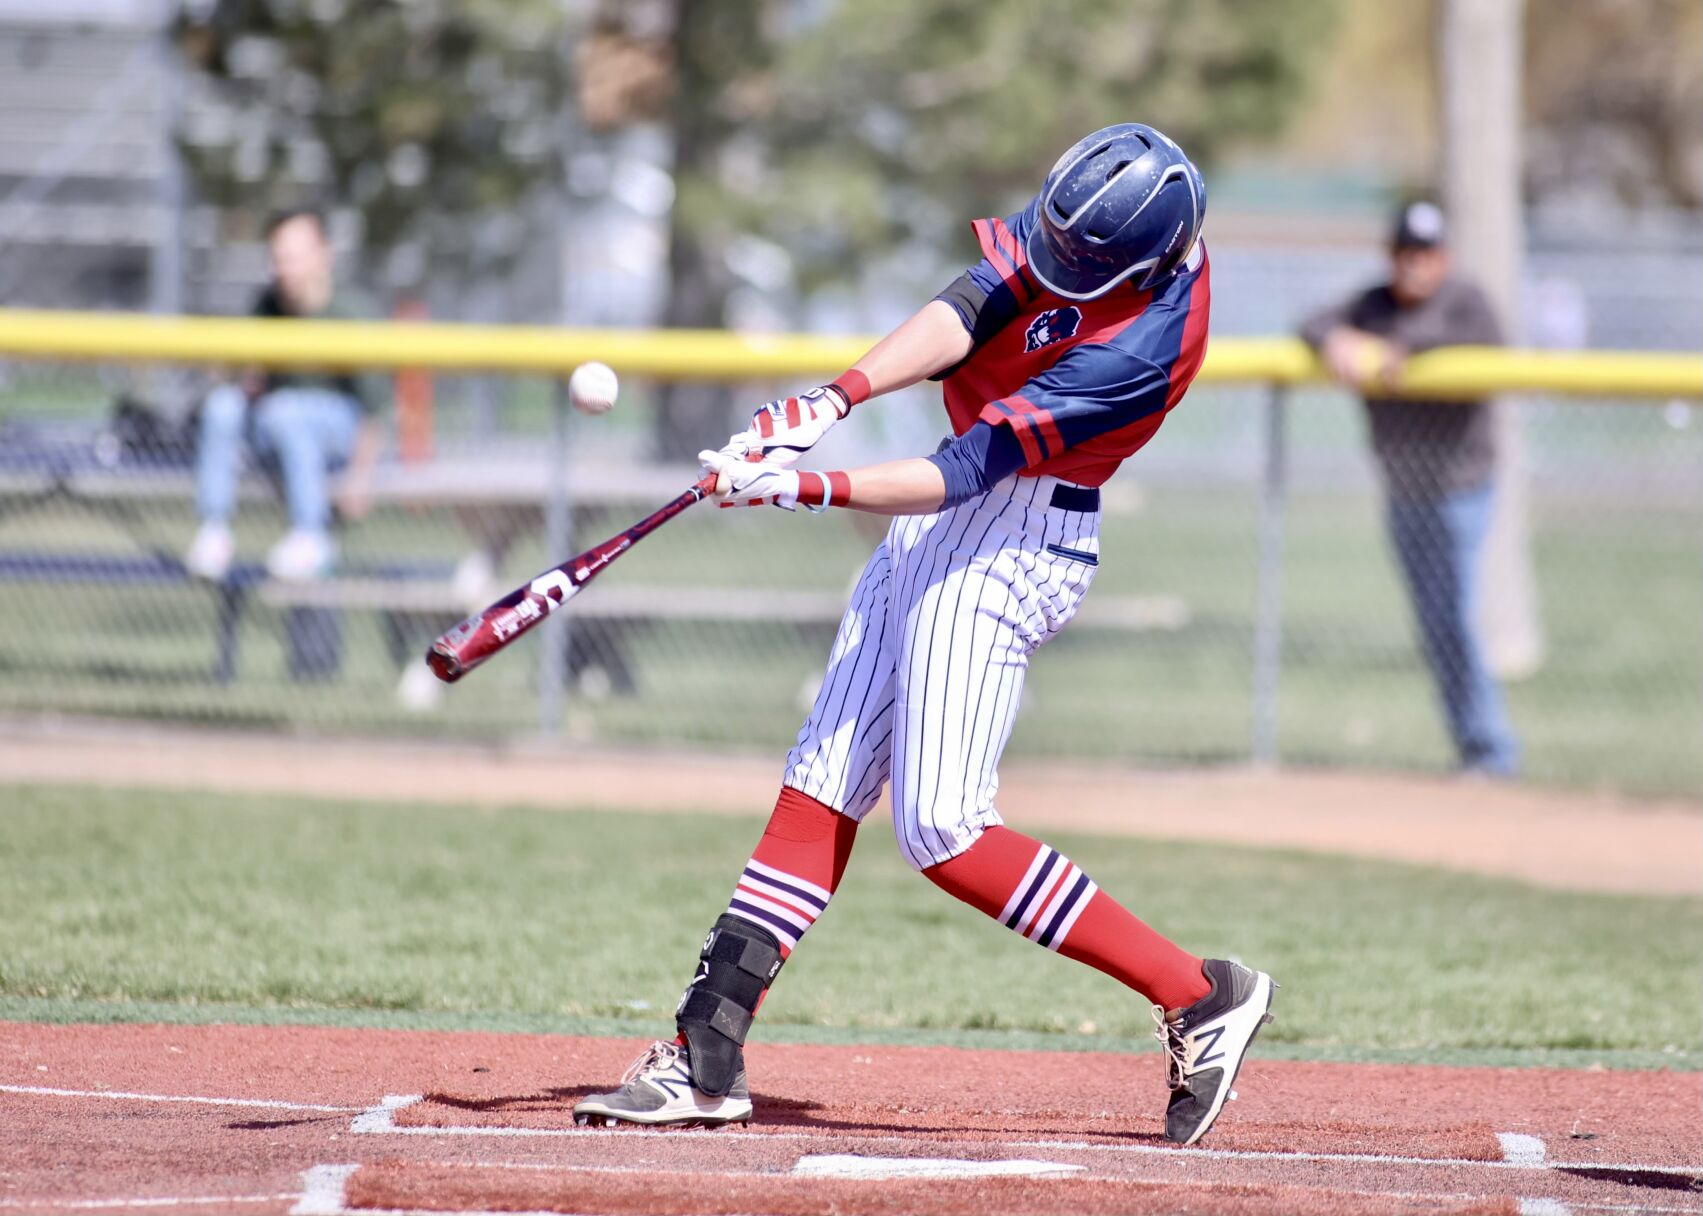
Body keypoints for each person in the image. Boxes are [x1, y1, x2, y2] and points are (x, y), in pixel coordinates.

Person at [573, 123, 1276, 1147]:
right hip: (946, 517)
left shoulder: (1137, 349)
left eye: (1079, 264)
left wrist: (802, 484)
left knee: (943, 827)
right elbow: (971, 303)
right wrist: (830, 398)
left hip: (1015, 536)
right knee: (821, 772)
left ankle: (1196, 991)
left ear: (1145, 264)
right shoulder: (1093, 229)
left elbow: (965, 472)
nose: (1054, 264)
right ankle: (701, 1053)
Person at [1300, 201, 1520, 776]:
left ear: (1443, 257)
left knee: (1457, 618)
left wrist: (1406, 350)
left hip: (1461, 487)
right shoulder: (1373, 305)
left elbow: (1486, 345)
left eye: (1425, 253)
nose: (1414, 265)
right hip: (1404, 491)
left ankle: (1492, 750)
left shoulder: (1467, 301)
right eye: (1405, 253)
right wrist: (1336, 342)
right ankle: (1471, 746)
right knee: (1432, 622)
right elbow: (1313, 321)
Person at [184, 208, 382, 583]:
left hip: (333, 436)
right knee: (223, 406)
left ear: (324, 256)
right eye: (278, 258)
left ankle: (311, 534)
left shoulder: (351, 312)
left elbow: (375, 411)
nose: (285, 268)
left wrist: (360, 477)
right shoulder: (266, 307)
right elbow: (244, 378)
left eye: (294, 257)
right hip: (276, 431)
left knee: (285, 410)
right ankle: (214, 530)